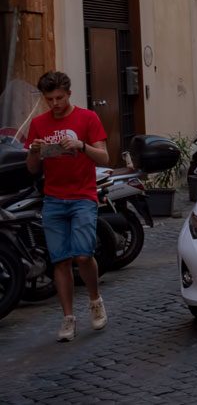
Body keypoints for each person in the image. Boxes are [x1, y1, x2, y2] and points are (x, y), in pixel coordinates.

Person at [25, 71, 110, 342]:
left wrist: (81, 145)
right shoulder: (38, 123)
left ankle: (95, 299)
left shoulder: (88, 118)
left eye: (59, 98)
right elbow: (32, 168)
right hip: (53, 198)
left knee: (83, 255)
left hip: (83, 196)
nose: (55, 104)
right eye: (49, 99)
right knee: (59, 260)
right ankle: (68, 318)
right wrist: (34, 151)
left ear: (69, 94)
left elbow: (104, 157)